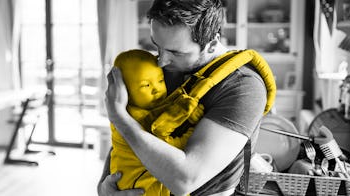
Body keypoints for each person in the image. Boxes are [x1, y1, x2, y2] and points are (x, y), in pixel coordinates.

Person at [99, 0, 275, 195]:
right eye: (157, 45)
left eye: (175, 52)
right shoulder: (164, 69)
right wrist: (106, 186)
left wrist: (119, 117)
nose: (161, 61)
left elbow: (185, 179)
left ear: (212, 44)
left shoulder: (243, 87)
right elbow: (133, 132)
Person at [110, 49, 204, 196]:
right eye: (146, 85)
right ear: (124, 91)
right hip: (139, 188)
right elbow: (166, 149)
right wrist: (193, 129)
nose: (156, 89)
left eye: (160, 80)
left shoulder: (149, 107)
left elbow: (166, 110)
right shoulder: (134, 117)